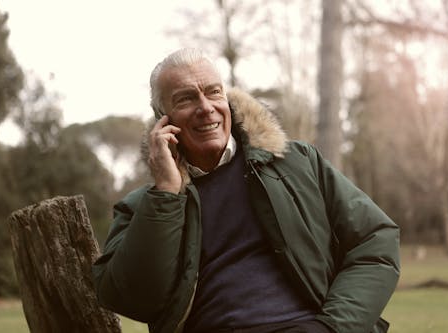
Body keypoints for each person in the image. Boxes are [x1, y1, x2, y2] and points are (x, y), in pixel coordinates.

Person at [92, 48, 400, 333]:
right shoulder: (144, 207)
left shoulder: (298, 162)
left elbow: (376, 242)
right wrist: (166, 194)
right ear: (163, 119)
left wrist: (331, 328)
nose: (205, 107)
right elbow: (133, 298)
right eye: (185, 99)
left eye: (214, 92)